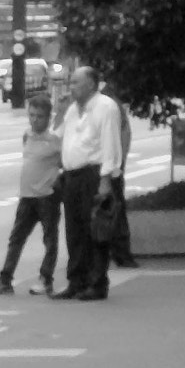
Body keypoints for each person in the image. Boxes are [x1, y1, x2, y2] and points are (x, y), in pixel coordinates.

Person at [0, 93, 63, 297]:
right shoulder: (27, 135)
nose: (34, 120)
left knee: (50, 240)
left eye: (40, 116)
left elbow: (65, 164)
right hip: (27, 197)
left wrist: (56, 182)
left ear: (48, 117)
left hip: (47, 196)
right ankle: (5, 281)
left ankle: (46, 279)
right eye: (32, 115)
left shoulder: (55, 141)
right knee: (16, 239)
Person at [52, 65, 123, 300]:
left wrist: (105, 180)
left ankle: (97, 282)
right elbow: (57, 137)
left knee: (94, 229)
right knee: (74, 230)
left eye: (75, 83)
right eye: (71, 83)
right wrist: (60, 111)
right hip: (72, 176)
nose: (71, 87)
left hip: (93, 174)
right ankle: (76, 280)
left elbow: (110, 143)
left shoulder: (105, 107)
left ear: (91, 84)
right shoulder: (73, 109)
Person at [100, 82, 138, 268]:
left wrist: (118, 163)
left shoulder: (109, 102)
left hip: (111, 166)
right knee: (114, 210)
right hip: (111, 166)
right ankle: (119, 253)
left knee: (111, 210)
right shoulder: (110, 103)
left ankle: (116, 253)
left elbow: (123, 133)